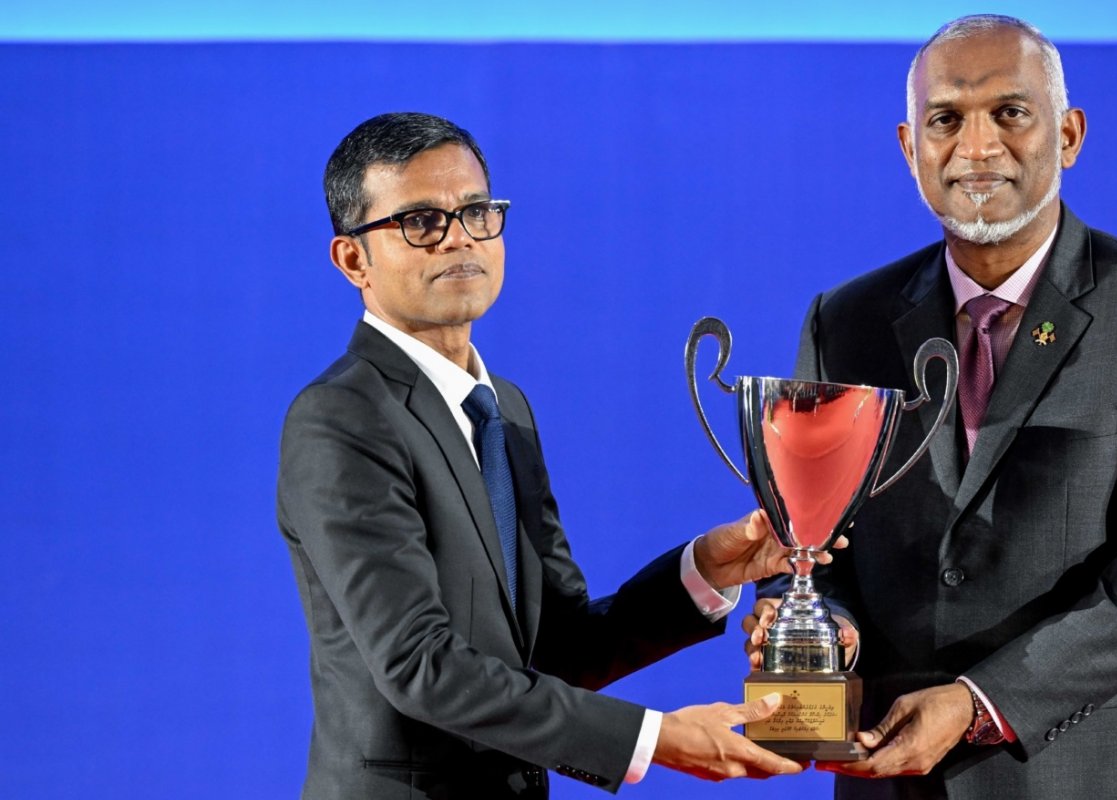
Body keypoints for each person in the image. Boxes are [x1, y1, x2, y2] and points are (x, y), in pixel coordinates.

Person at [743, 14, 1117, 799]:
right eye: (945, 119)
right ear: (910, 149)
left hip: (1103, 775)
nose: (976, 147)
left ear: (1069, 135)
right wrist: (816, 624)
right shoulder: (845, 321)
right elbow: (809, 541)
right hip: (897, 778)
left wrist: (980, 703)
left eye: (1010, 112)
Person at [277, 112, 821, 798]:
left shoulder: (504, 409)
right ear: (353, 259)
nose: (460, 238)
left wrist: (704, 569)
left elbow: (556, 650)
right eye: (421, 222)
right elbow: (421, 666)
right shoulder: (341, 417)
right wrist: (654, 737)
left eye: (477, 212)